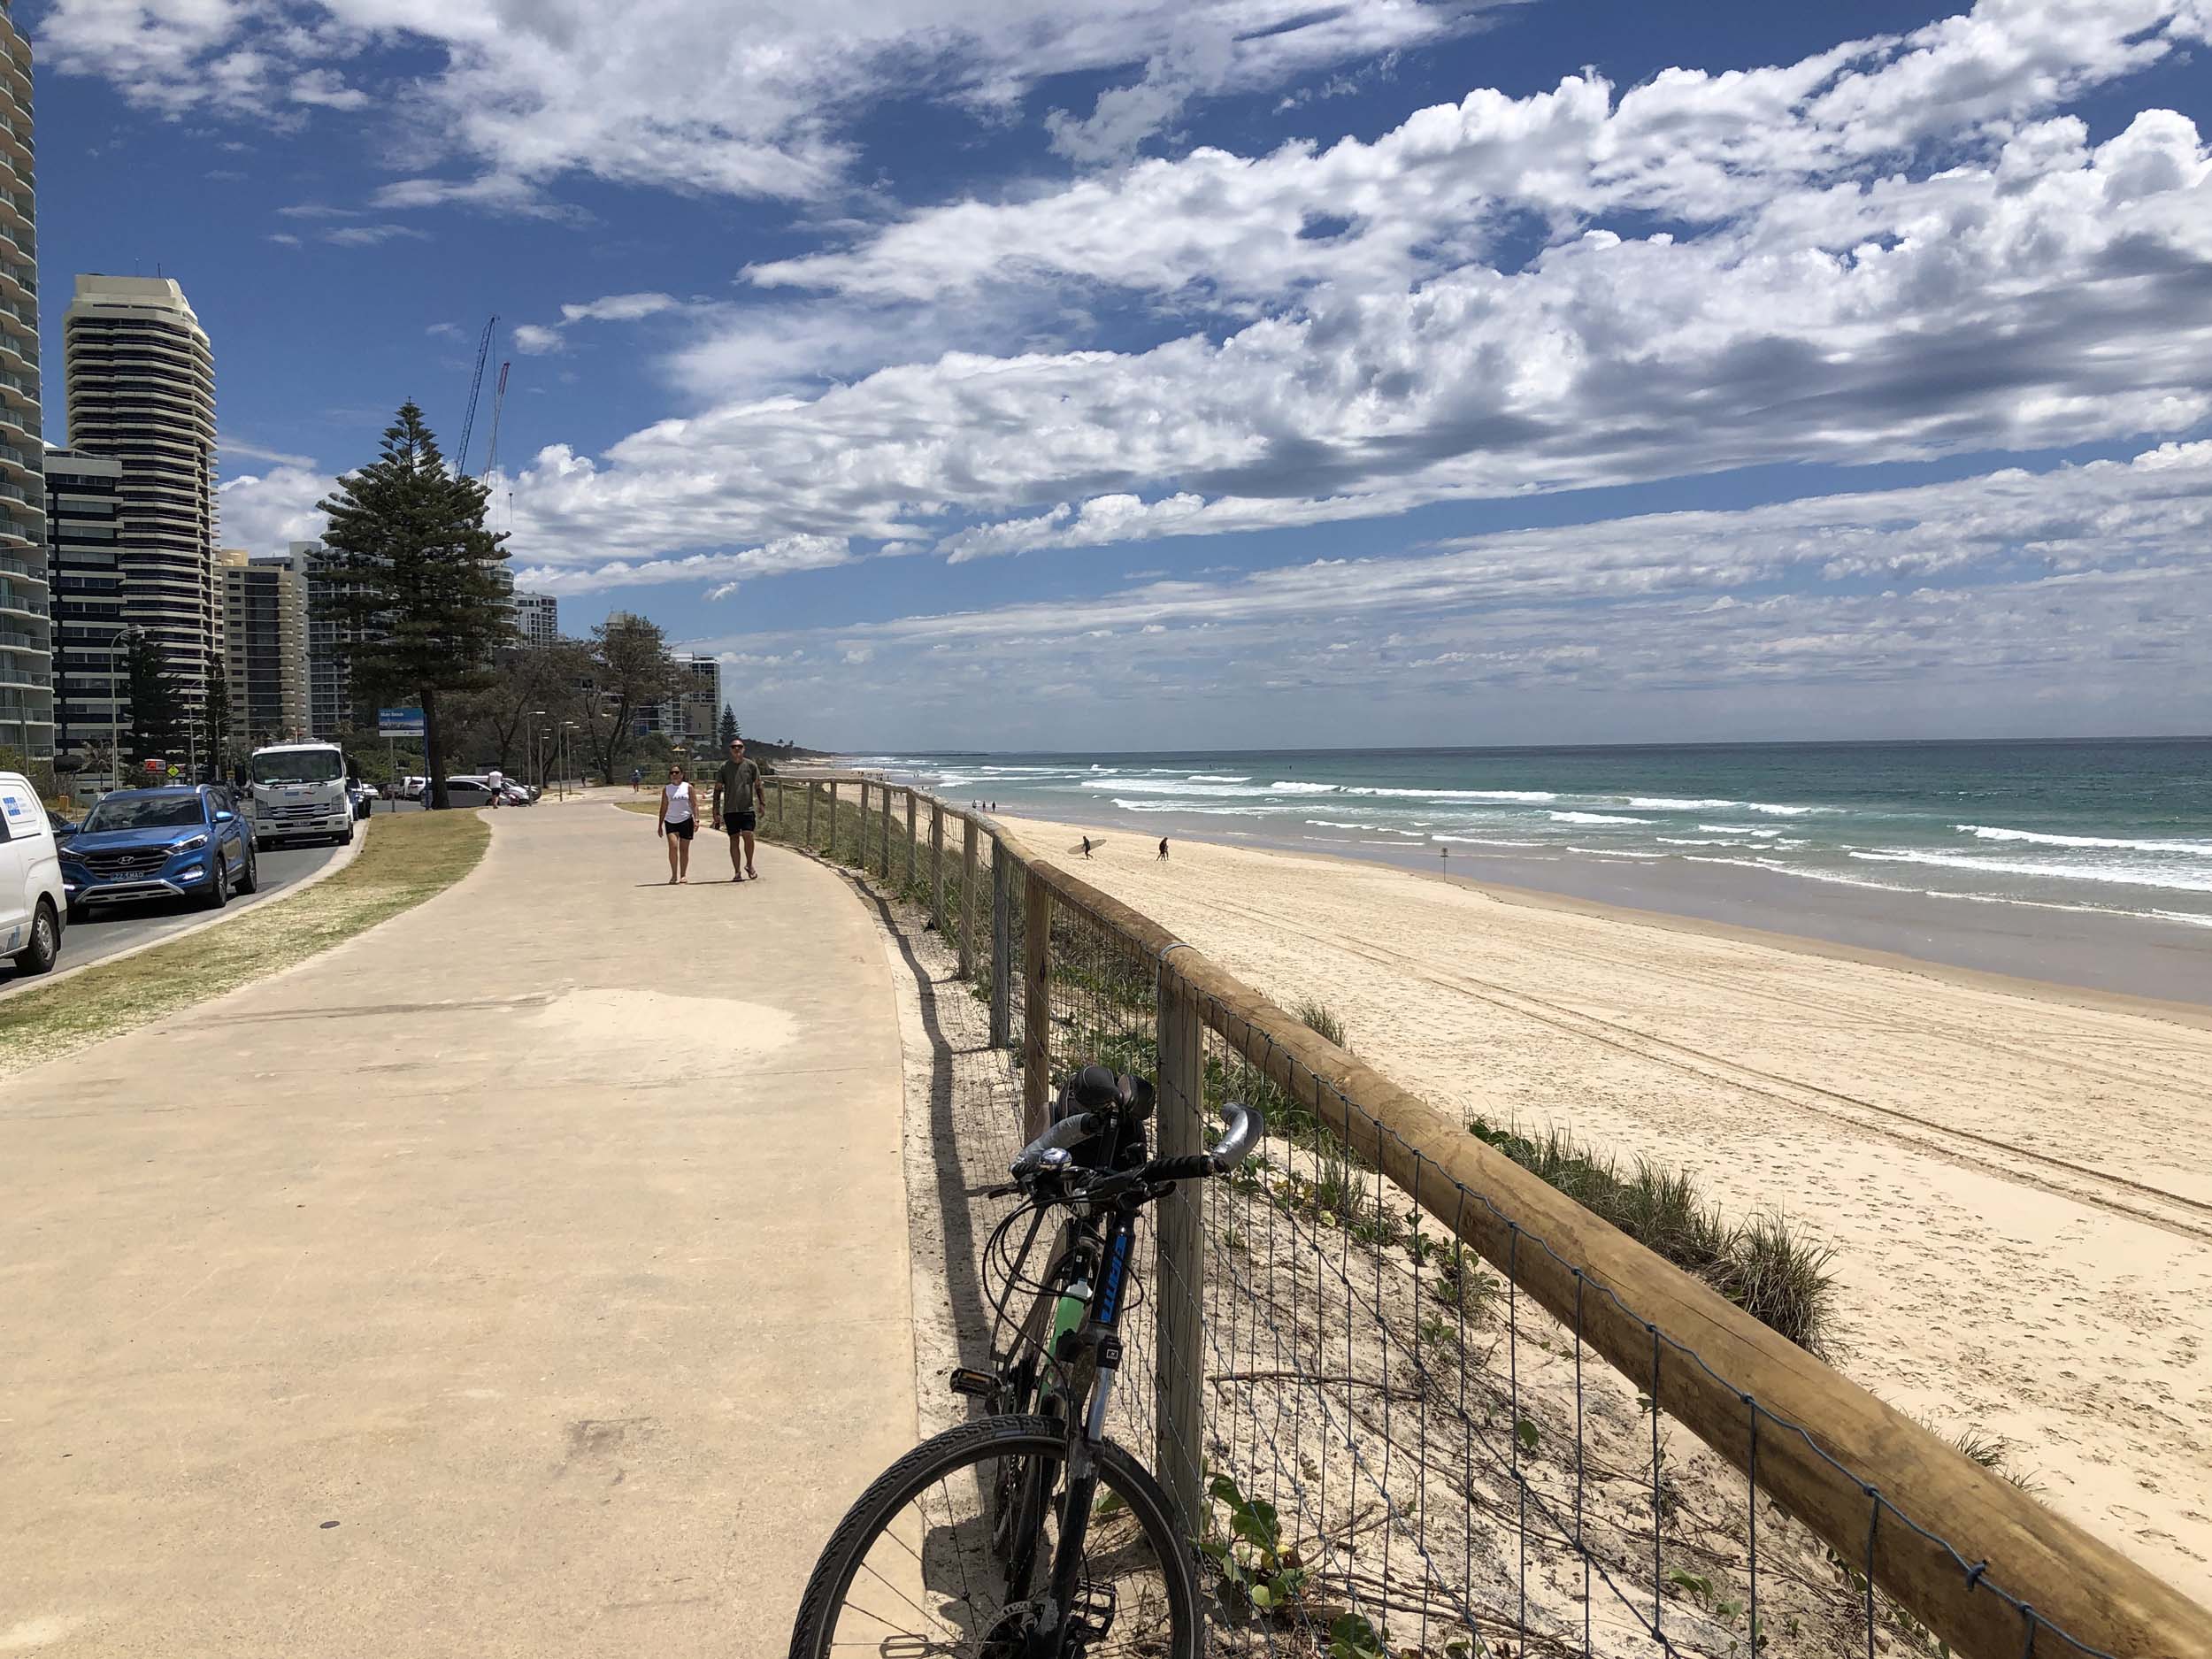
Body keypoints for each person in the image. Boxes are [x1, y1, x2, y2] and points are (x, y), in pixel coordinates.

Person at [713, 736, 765, 882]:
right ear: (730, 750)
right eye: (734, 747)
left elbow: (758, 785)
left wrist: (762, 803)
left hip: (747, 808)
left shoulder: (751, 766)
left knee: (748, 835)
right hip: (730, 810)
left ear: (744, 749)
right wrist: (716, 811)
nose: (737, 749)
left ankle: (749, 864)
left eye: (740, 747)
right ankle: (737, 871)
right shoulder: (724, 767)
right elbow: (717, 789)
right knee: (734, 839)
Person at [657, 763, 696, 883]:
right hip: (671, 821)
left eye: (677, 772)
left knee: (684, 849)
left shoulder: (688, 787)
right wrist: (660, 824)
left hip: (686, 819)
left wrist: (697, 820)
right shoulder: (667, 789)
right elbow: (663, 806)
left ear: (682, 774)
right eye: (672, 773)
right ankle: (674, 875)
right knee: (673, 847)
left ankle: (683, 875)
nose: (674, 774)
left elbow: (694, 804)